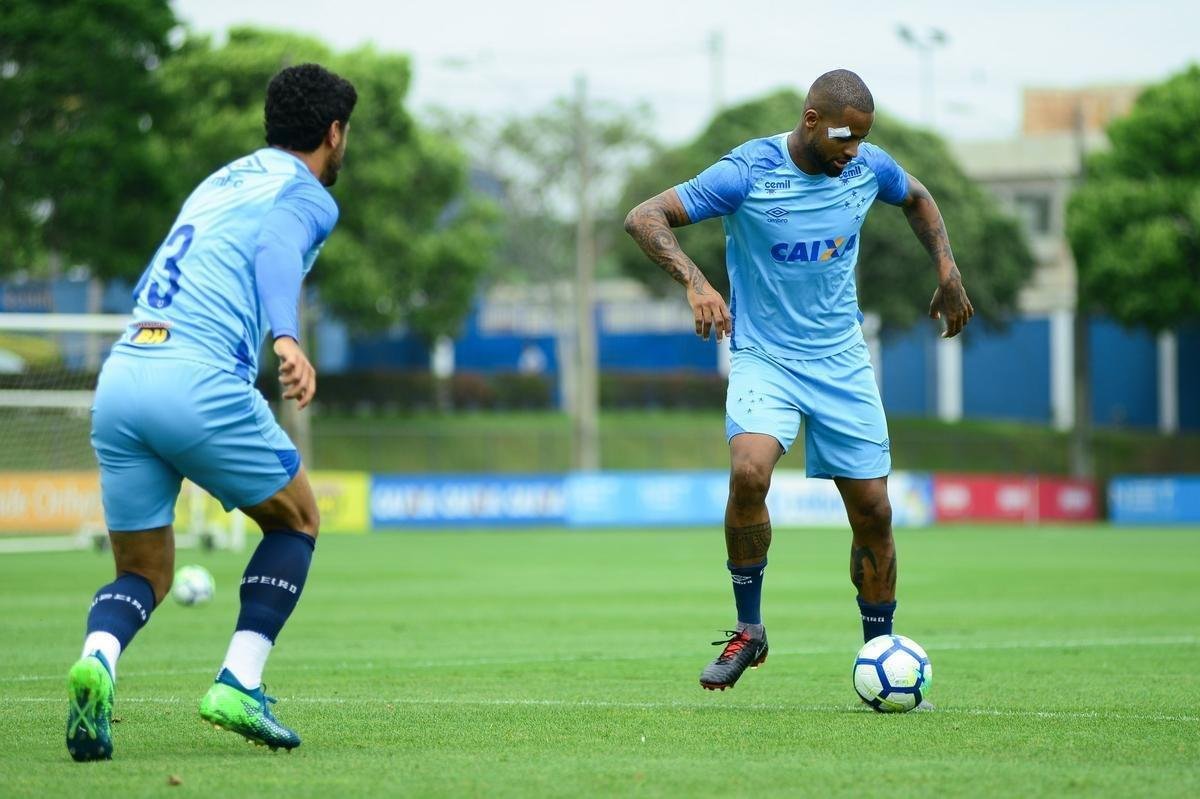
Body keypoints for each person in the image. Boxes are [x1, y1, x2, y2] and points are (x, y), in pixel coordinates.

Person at [623, 69, 973, 691]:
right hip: (766, 358)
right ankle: (748, 630)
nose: (854, 151)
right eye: (845, 137)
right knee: (749, 472)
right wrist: (696, 283)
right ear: (811, 121)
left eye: (863, 138)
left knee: (874, 511)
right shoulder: (747, 172)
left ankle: (880, 652)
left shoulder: (868, 167)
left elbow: (917, 197)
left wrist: (947, 271)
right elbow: (644, 216)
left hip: (841, 359)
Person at [65, 63, 356, 760]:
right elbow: (277, 247)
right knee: (297, 519)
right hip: (197, 378)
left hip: (126, 373)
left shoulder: (221, 180)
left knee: (142, 572)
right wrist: (286, 337)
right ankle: (239, 681)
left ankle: (97, 658)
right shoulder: (306, 191)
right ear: (334, 133)